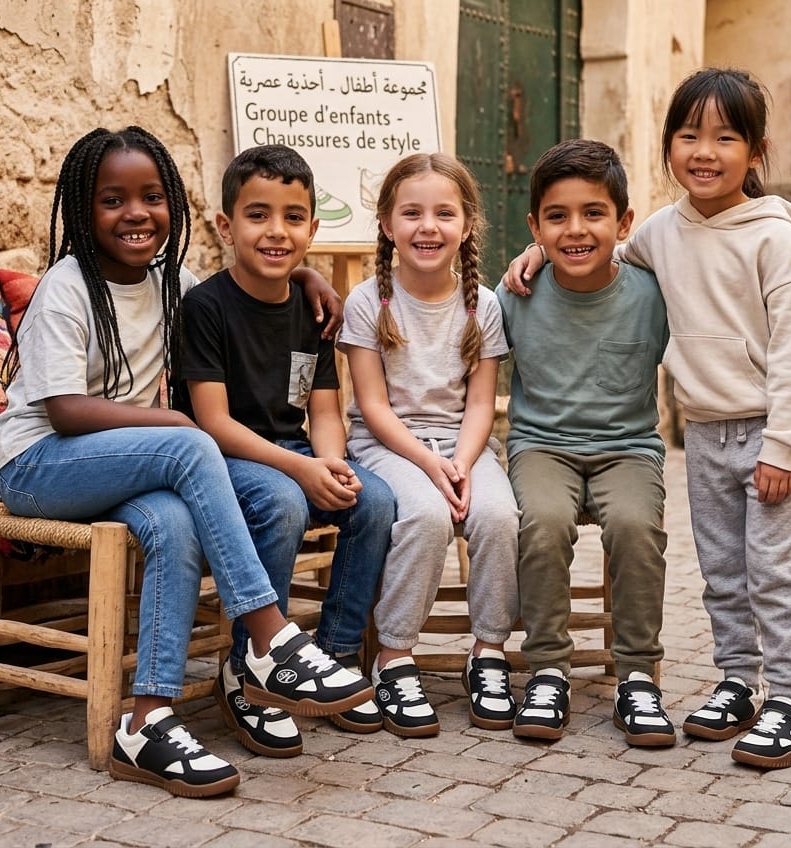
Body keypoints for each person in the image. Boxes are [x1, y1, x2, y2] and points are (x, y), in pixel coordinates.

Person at [0, 127, 372, 799]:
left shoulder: (172, 278)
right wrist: (170, 423)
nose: (136, 214)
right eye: (113, 200)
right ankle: (268, 638)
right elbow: (66, 413)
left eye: (152, 197)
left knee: (175, 525)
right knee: (191, 440)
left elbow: (248, 279)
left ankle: (146, 721)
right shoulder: (67, 286)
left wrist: (308, 273)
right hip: (41, 466)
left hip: (122, 465)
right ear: (83, 210)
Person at [510, 68, 791, 769]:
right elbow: (595, 252)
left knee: (774, 568)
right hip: (710, 431)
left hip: (773, 432)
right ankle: (740, 683)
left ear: (756, 151)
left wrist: (787, 441)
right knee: (723, 570)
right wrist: (538, 247)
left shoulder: (774, 240)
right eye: (688, 136)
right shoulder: (661, 229)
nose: (704, 151)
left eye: (724, 137)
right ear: (668, 147)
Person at [174, 144, 394, 757]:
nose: (277, 231)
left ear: (313, 229)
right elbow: (212, 421)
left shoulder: (313, 309)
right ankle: (249, 670)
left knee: (372, 499)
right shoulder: (208, 306)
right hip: (226, 457)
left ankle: (334, 655)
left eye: (294, 217)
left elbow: (324, 411)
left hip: (295, 448)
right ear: (226, 225)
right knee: (283, 503)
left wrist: (330, 464)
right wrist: (302, 469)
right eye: (258, 215)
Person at [493, 139, 675, 746]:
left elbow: (721, 337)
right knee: (540, 523)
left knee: (635, 527)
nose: (576, 229)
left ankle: (637, 677)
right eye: (557, 216)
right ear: (535, 228)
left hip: (629, 448)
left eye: (594, 213)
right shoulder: (515, 296)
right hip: (542, 446)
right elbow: (459, 359)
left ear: (623, 222)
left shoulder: (653, 295)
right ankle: (548, 669)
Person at [338, 153, 520, 737]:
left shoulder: (481, 305)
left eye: (444, 213)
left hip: (462, 443)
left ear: (467, 225)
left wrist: (462, 463)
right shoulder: (369, 302)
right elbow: (373, 407)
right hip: (386, 445)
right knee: (424, 514)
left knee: (497, 515)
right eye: (411, 212)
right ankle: (393, 656)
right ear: (388, 225)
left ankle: (488, 652)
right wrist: (430, 465)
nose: (427, 226)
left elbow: (480, 405)